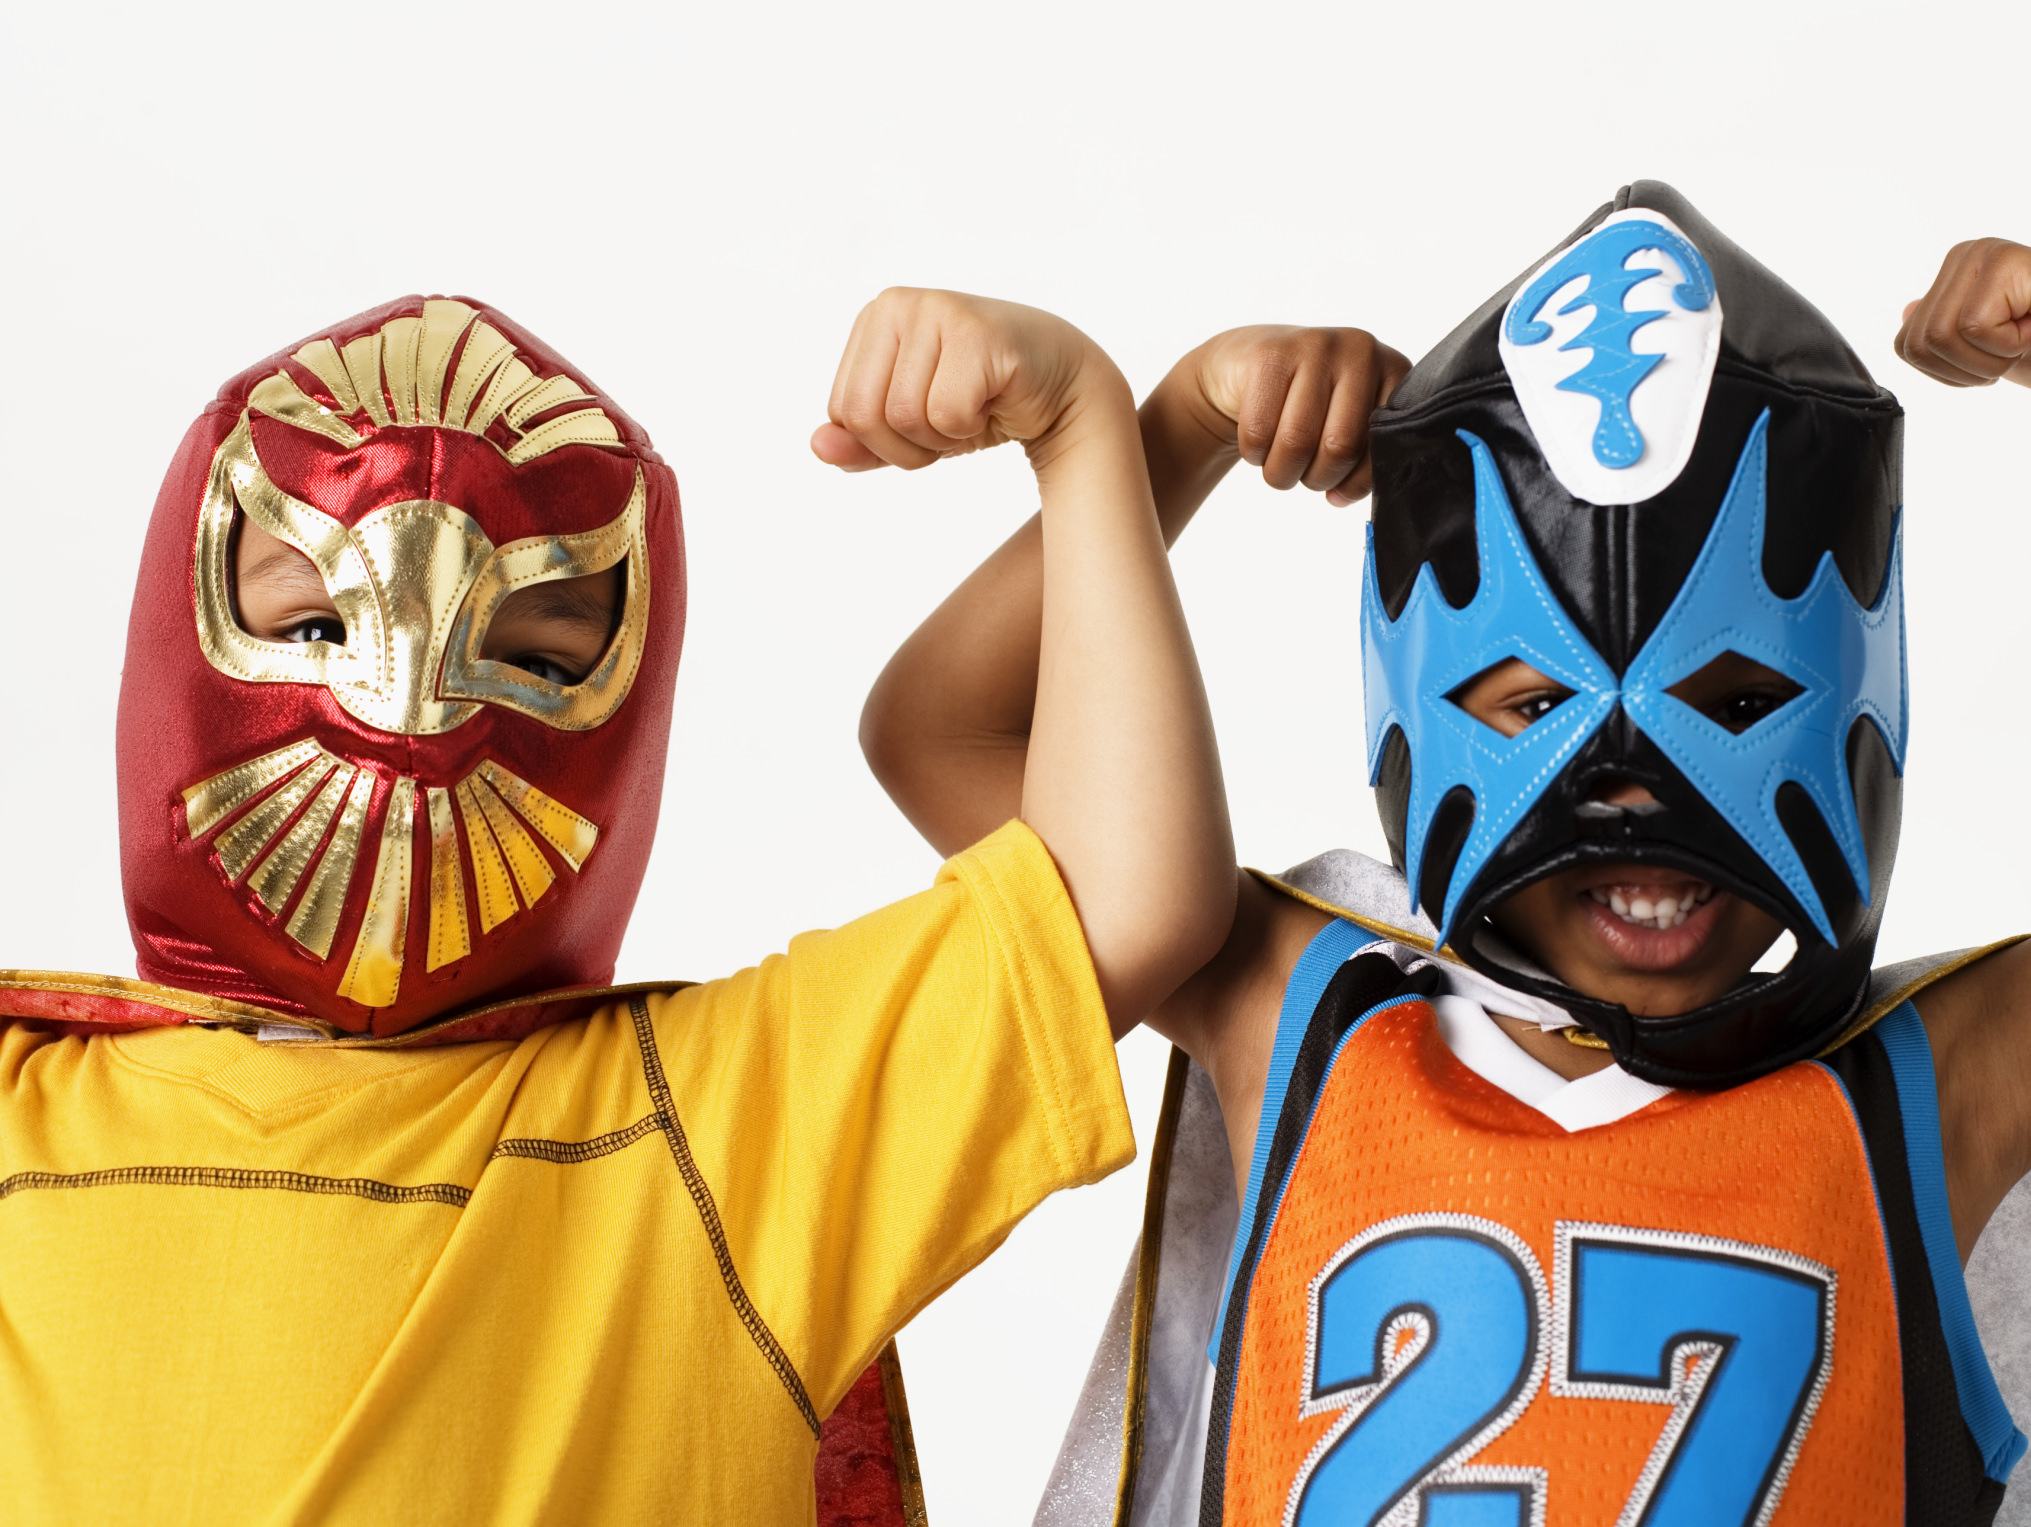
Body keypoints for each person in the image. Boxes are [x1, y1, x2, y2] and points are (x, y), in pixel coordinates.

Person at [859, 183, 2031, 1524]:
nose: (1637, 796)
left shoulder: (1926, 1092)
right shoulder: (1302, 1020)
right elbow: (941, 731)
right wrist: (1168, 426)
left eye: (1734, 704)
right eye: (1536, 707)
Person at [0, 287, 1233, 1526]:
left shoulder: (709, 1127)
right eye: (320, 622)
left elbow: (1120, 891)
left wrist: (1092, 436)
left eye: (534, 657)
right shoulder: (20, 1117)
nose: (412, 715)